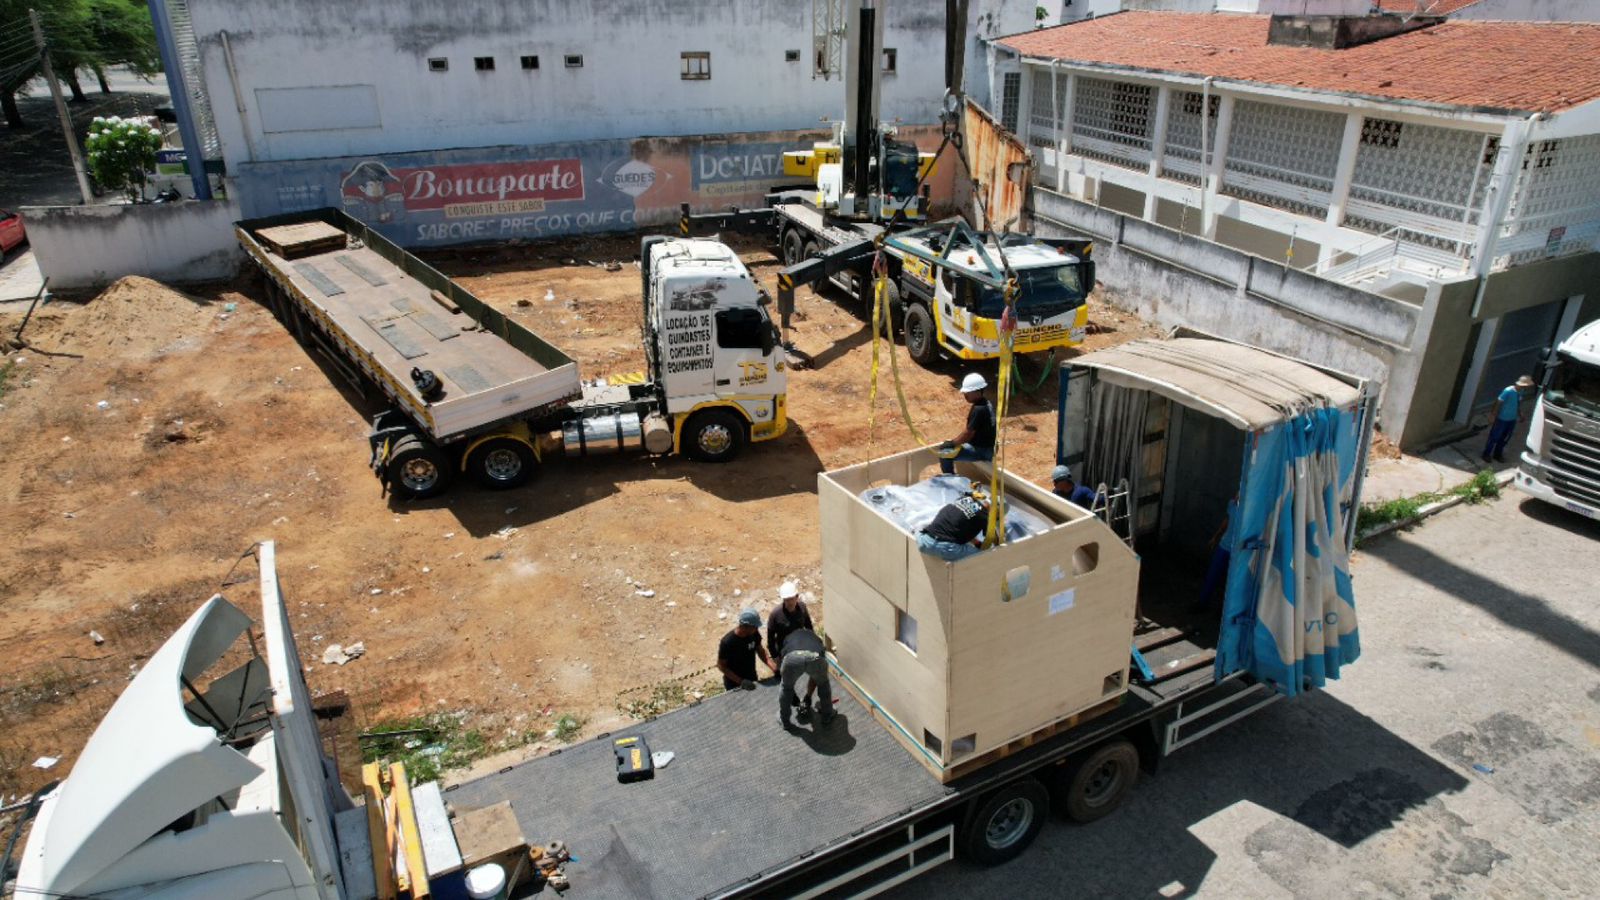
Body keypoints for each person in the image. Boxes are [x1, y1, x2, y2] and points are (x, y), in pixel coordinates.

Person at [766, 581, 813, 711]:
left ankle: (806, 699)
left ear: (796, 597)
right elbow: (770, 638)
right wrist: (775, 657)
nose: (789, 602)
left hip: (800, 648)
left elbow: (808, 626)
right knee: (786, 678)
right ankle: (793, 699)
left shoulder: (802, 608)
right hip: (784, 652)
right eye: (786, 600)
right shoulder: (775, 615)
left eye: (791, 599)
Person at [777, 626, 835, 731]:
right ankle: (827, 715)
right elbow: (819, 669)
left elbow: (783, 662)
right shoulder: (814, 637)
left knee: (786, 687)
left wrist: (792, 695)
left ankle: (784, 720)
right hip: (814, 656)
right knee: (823, 684)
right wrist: (808, 696)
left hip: (793, 657)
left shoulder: (788, 638)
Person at [939, 373, 996, 475]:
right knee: (953, 447)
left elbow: (968, 433)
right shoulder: (986, 403)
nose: (965, 395)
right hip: (987, 448)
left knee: (944, 453)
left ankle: (950, 482)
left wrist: (951, 444)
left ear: (977, 391)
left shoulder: (979, 409)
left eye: (967, 392)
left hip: (981, 451)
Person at [916, 486, 991, 561]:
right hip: (946, 548)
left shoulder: (961, 500)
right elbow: (991, 539)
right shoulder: (984, 516)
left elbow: (957, 525)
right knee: (985, 559)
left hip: (924, 541)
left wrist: (976, 542)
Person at [717, 608, 777, 691]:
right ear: (746, 627)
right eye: (755, 627)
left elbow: (760, 651)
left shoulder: (754, 633)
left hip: (751, 677)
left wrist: (774, 667)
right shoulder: (728, 642)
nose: (757, 629)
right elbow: (721, 666)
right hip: (734, 684)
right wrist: (741, 681)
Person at [1482, 375, 1535, 463]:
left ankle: (1497, 454)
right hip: (1502, 419)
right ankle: (1486, 454)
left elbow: (1518, 404)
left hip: (1511, 419)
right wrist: (1493, 415)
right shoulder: (1508, 391)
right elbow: (1498, 402)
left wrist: (1520, 414)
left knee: (1504, 438)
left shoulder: (1520, 392)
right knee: (1494, 437)